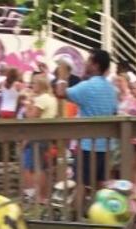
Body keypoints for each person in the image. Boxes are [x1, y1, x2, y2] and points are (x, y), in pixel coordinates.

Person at [55, 49, 118, 186]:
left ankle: (80, 208)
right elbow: (114, 112)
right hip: (107, 145)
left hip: (89, 146)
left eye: (88, 61)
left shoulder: (87, 87)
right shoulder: (112, 89)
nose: (85, 64)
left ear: (95, 65)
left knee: (81, 184)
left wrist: (62, 76)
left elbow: (60, 93)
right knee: (102, 183)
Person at [22, 74, 58, 202]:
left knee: (36, 167)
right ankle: (44, 195)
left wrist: (28, 105)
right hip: (47, 135)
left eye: (34, 83)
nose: (32, 86)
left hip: (37, 136)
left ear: (40, 85)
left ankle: (37, 196)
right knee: (43, 167)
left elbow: (31, 117)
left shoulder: (41, 99)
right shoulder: (51, 98)